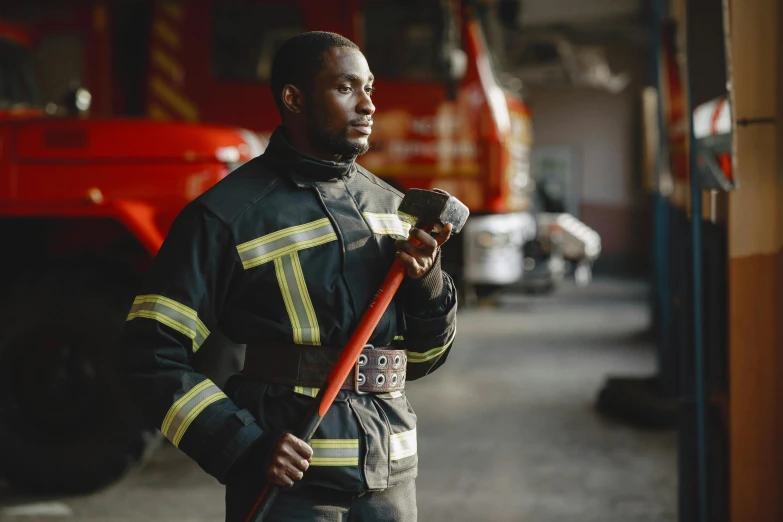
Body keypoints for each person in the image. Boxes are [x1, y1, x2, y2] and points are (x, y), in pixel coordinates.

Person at [120, 31, 457, 521]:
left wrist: (427, 286)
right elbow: (148, 356)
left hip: (393, 484)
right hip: (289, 490)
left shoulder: (392, 209)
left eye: (370, 89)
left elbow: (424, 358)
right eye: (346, 88)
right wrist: (245, 447)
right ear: (294, 98)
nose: (367, 105)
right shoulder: (226, 217)